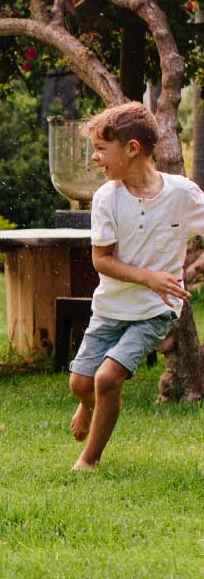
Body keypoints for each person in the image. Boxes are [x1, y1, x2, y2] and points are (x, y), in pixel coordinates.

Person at [69, 101, 204, 471]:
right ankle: (89, 403)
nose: (95, 158)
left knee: (108, 378)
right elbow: (102, 260)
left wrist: (159, 284)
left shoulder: (181, 194)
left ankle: (89, 460)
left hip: (155, 309)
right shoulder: (106, 198)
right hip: (111, 307)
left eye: (101, 149)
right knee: (82, 384)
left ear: (132, 149)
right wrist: (149, 276)